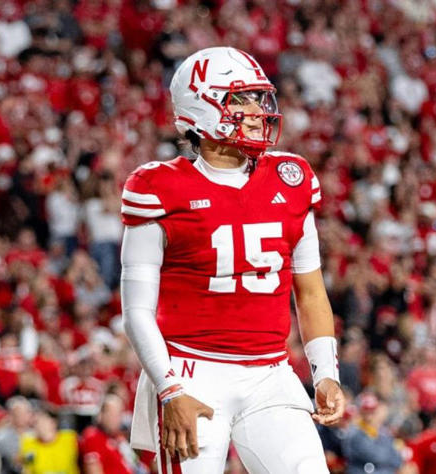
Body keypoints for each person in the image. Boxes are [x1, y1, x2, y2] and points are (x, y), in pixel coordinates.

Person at [121, 46, 343, 474]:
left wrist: (326, 374)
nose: (258, 111)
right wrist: (169, 390)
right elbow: (136, 313)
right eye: (239, 100)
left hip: (271, 371)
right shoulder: (159, 188)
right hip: (191, 369)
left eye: (258, 99)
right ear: (200, 109)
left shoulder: (290, 178)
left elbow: (311, 293)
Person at [79, 394, 140, 474]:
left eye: (118, 415)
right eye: (112, 415)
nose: (116, 420)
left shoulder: (118, 438)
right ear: (101, 415)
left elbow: (135, 465)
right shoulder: (92, 437)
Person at [18, 410, 78, 474]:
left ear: (53, 422)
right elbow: (27, 469)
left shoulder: (70, 438)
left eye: (43, 421)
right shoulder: (28, 443)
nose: (40, 426)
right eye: (36, 423)